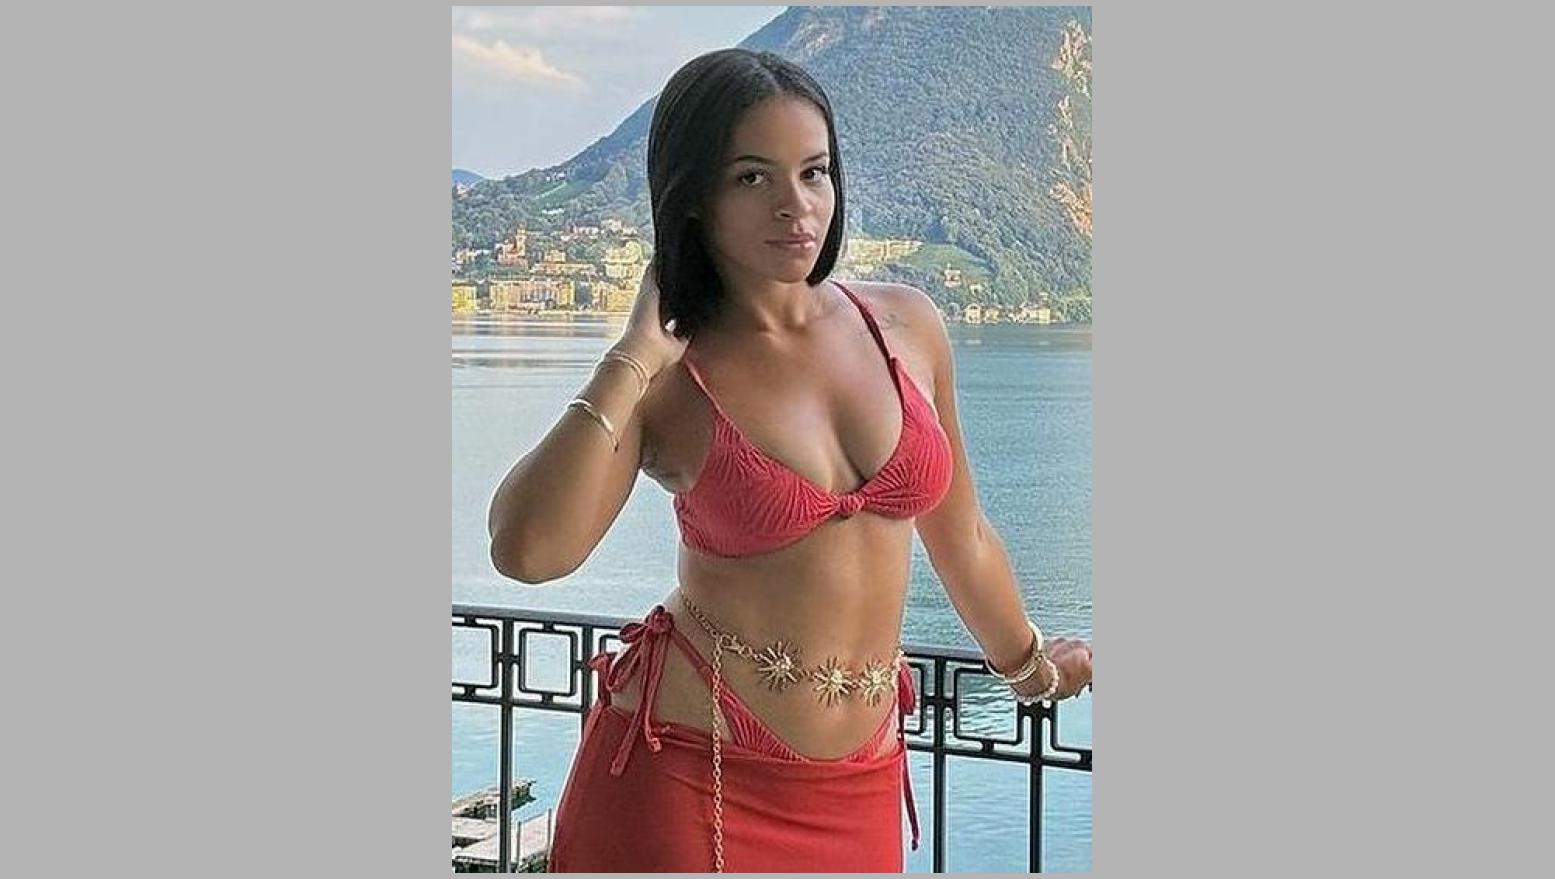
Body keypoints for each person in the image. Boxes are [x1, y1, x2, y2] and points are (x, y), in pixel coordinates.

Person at [487, 48, 1093, 873]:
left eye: (813, 173)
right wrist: (631, 356)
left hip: (860, 783)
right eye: (751, 177)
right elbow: (527, 550)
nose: (794, 206)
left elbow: (964, 537)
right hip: (687, 775)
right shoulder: (670, 375)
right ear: (693, 196)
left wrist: (1029, 669)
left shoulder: (906, 326)